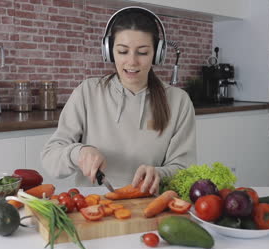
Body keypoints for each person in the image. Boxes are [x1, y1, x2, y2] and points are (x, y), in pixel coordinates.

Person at [41, 6, 197, 194]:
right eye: (123, 51)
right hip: (93, 207)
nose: (132, 62)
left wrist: (160, 173)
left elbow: (185, 169)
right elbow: (50, 158)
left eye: (142, 52)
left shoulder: (179, 101)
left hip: (149, 205)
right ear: (109, 51)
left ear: (157, 54)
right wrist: (78, 153)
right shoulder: (88, 92)